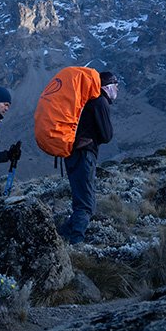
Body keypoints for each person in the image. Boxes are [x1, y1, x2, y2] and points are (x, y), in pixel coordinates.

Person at [58, 72, 117, 244]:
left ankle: (62, 235)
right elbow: (107, 135)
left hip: (72, 154)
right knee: (86, 203)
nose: (118, 89)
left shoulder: (87, 102)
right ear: (107, 86)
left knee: (81, 199)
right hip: (84, 155)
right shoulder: (100, 101)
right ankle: (76, 242)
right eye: (116, 85)